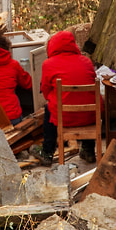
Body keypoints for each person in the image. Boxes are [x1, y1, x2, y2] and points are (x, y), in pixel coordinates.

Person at [40, 29, 99, 162]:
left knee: (49, 108)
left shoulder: (48, 64)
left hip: (64, 117)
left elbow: (45, 91)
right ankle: (88, 150)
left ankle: (47, 153)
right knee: (88, 101)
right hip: (89, 116)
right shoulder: (87, 61)